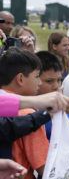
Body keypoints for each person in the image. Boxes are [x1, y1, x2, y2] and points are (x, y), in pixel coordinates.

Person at [0, 48, 49, 179]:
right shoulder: (28, 113)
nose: (40, 83)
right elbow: (45, 168)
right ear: (20, 78)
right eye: (37, 76)